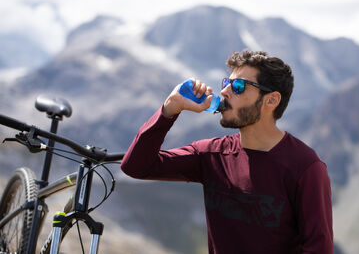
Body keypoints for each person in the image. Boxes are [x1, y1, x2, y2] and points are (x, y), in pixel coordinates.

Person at [121, 50, 333, 254]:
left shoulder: (305, 167)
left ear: (271, 100)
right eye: (227, 83)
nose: (224, 92)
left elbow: (318, 249)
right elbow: (136, 166)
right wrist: (170, 107)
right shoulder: (212, 155)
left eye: (238, 86)